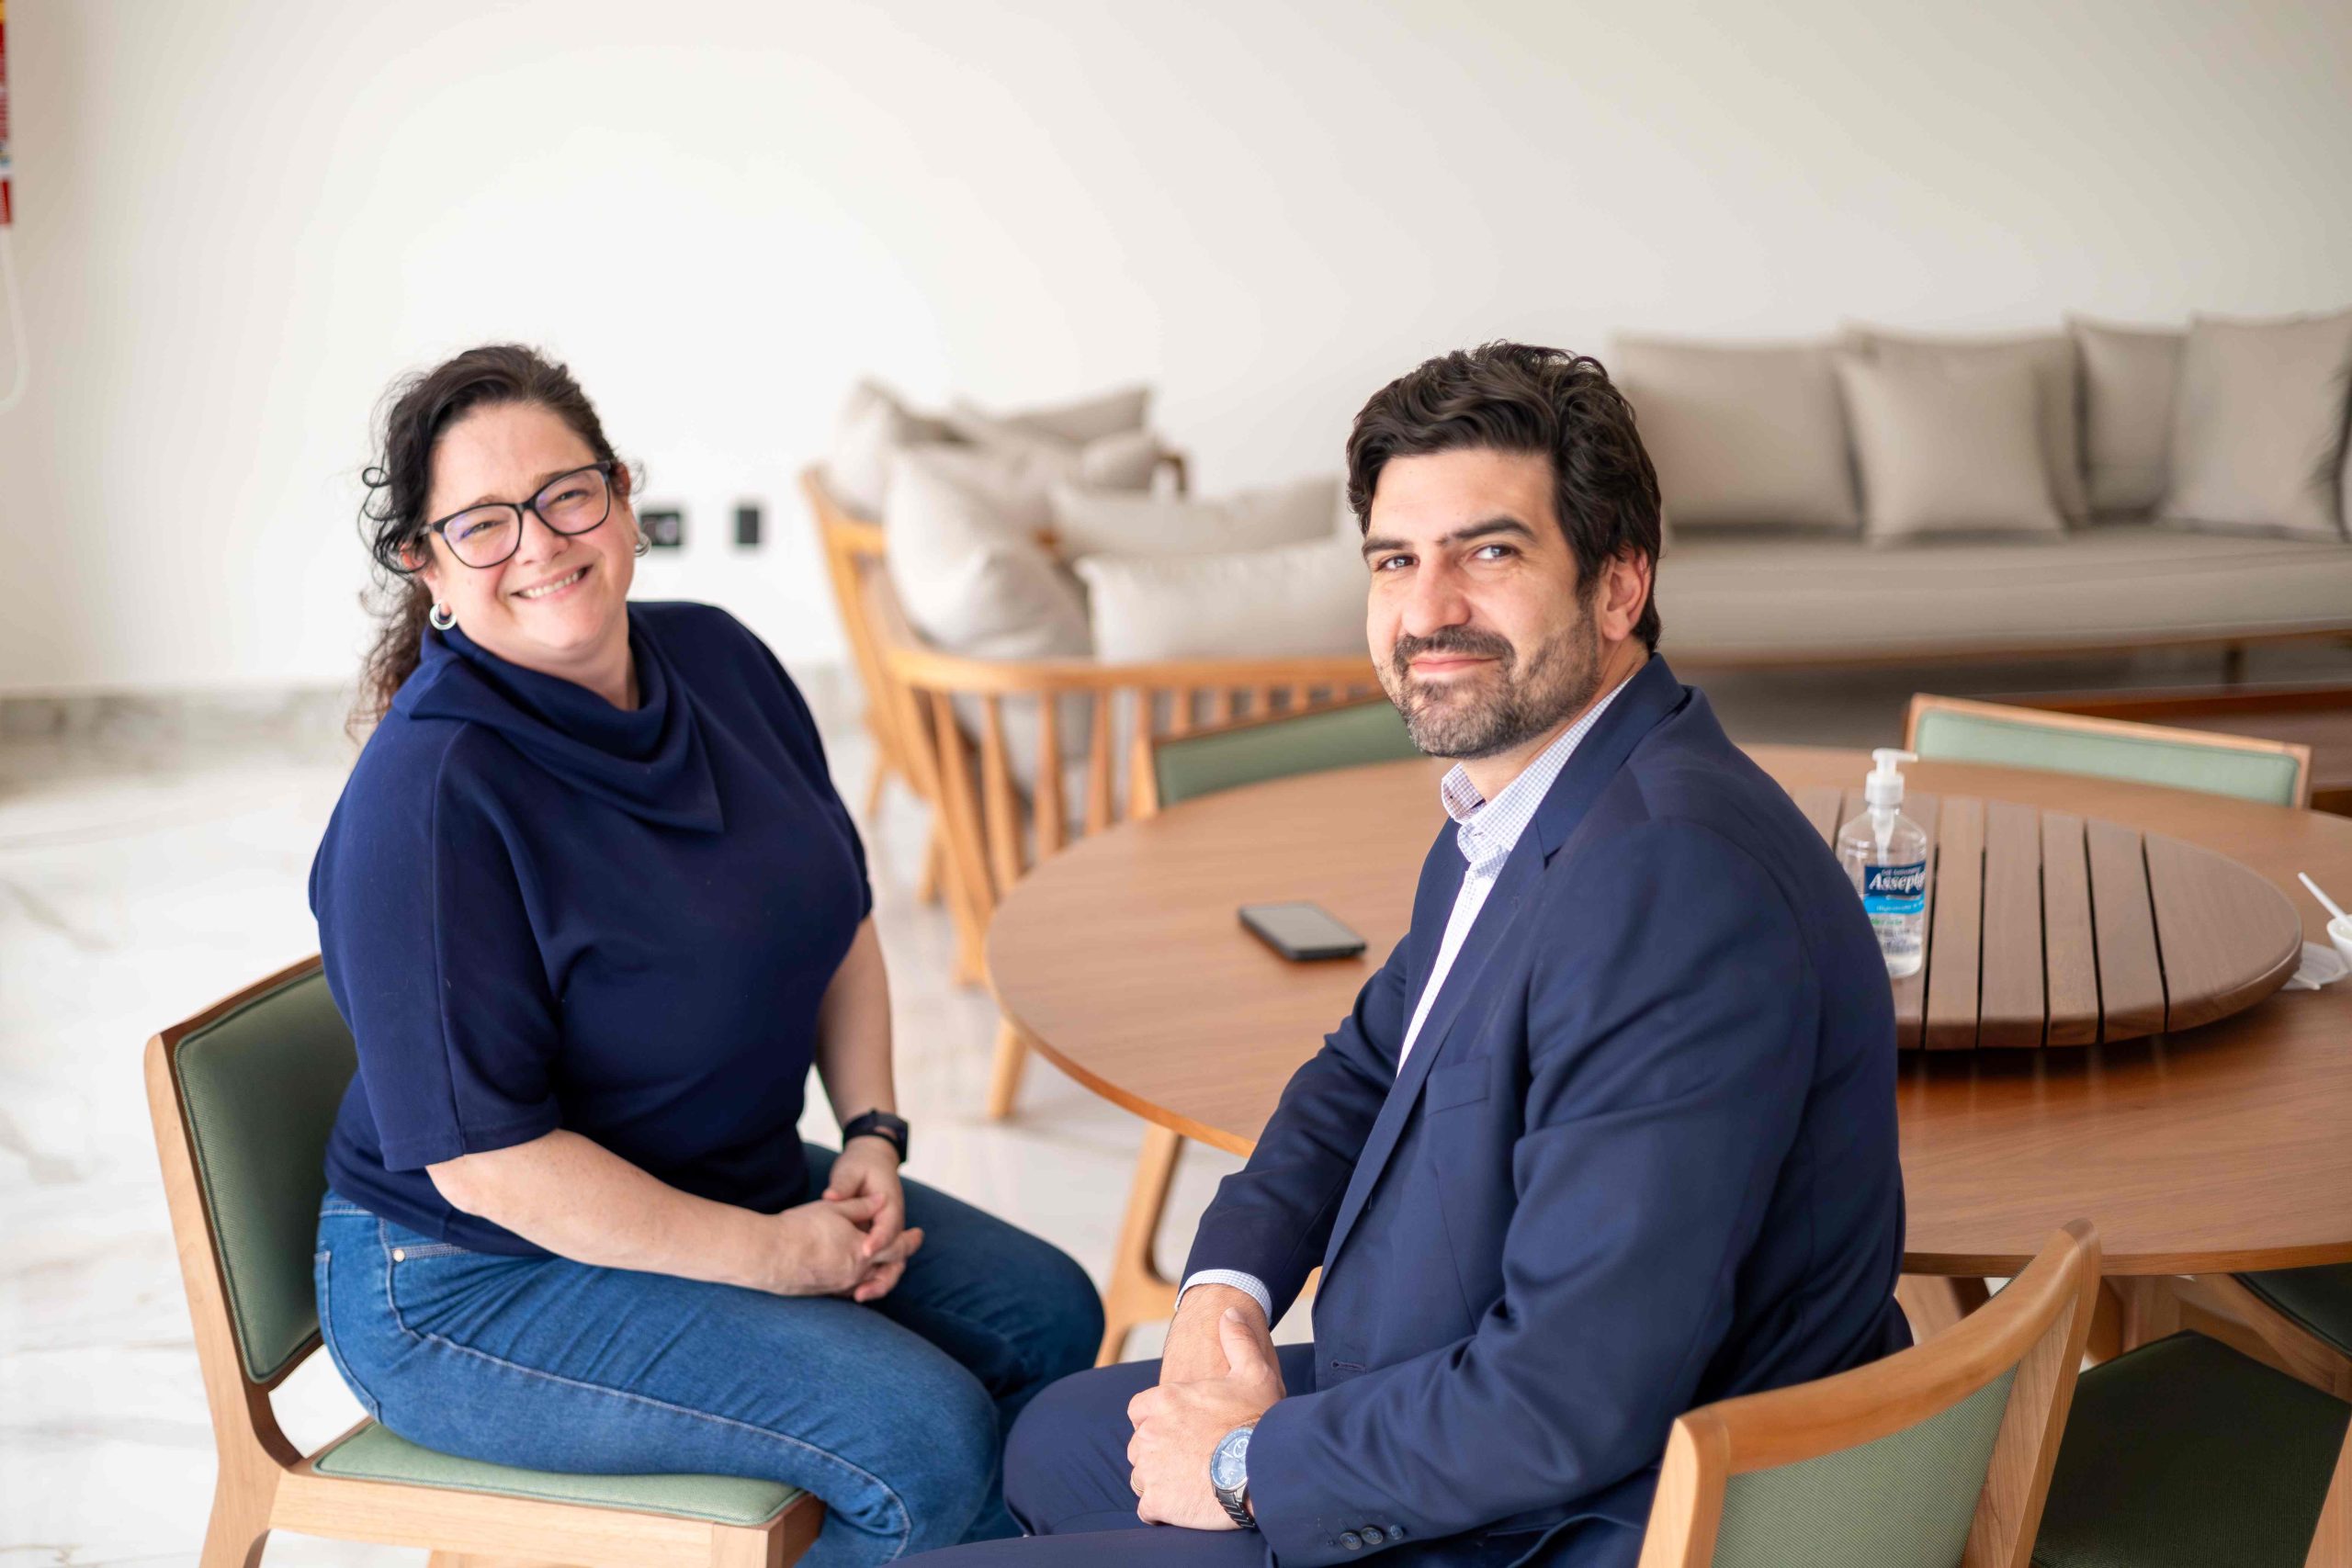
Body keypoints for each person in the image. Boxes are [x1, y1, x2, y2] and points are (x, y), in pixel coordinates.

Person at [907, 343, 1910, 1568]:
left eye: (1489, 552)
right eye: (1396, 560)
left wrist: (1239, 1469)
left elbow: (1568, 1398)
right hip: (1462, 1397)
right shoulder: (1524, 802)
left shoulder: (1670, 882)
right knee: (1056, 1435)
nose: (1428, 609)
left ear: (1618, 585)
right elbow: (1368, 1065)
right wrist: (1230, 1286)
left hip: (1573, 1518)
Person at [308, 344, 1102, 1568]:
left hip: (716, 1176)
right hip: (473, 1279)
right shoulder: (429, 799)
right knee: (924, 1437)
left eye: (567, 495)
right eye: (480, 524)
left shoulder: (718, 659)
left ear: (623, 496)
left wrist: (873, 1135)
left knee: (1047, 1316)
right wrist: (770, 1255)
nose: (539, 541)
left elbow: (834, 922)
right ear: (427, 566)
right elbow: (488, 1169)